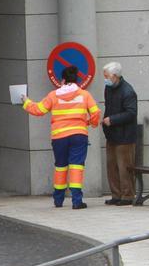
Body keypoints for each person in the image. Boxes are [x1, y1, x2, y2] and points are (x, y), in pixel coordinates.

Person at [22, 65, 101, 209]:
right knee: (76, 166)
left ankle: (58, 200)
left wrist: (26, 101)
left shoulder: (53, 95)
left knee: (60, 166)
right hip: (79, 135)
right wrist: (90, 123)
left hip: (59, 137)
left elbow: (38, 110)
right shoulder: (84, 95)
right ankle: (77, 201)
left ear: (62, 80)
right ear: (76, 79)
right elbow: (96, 113)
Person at [101, 62, 139, 206]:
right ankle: (116, 194)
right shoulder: (109, 88)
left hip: (125, 136)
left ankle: (127, 195)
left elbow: (131, 113)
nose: (105, 79)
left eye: (107, 76)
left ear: (115, 76)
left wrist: (112, 119)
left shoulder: (128, 91)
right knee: (112, 167)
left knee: (124, 167)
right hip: (112, 134)